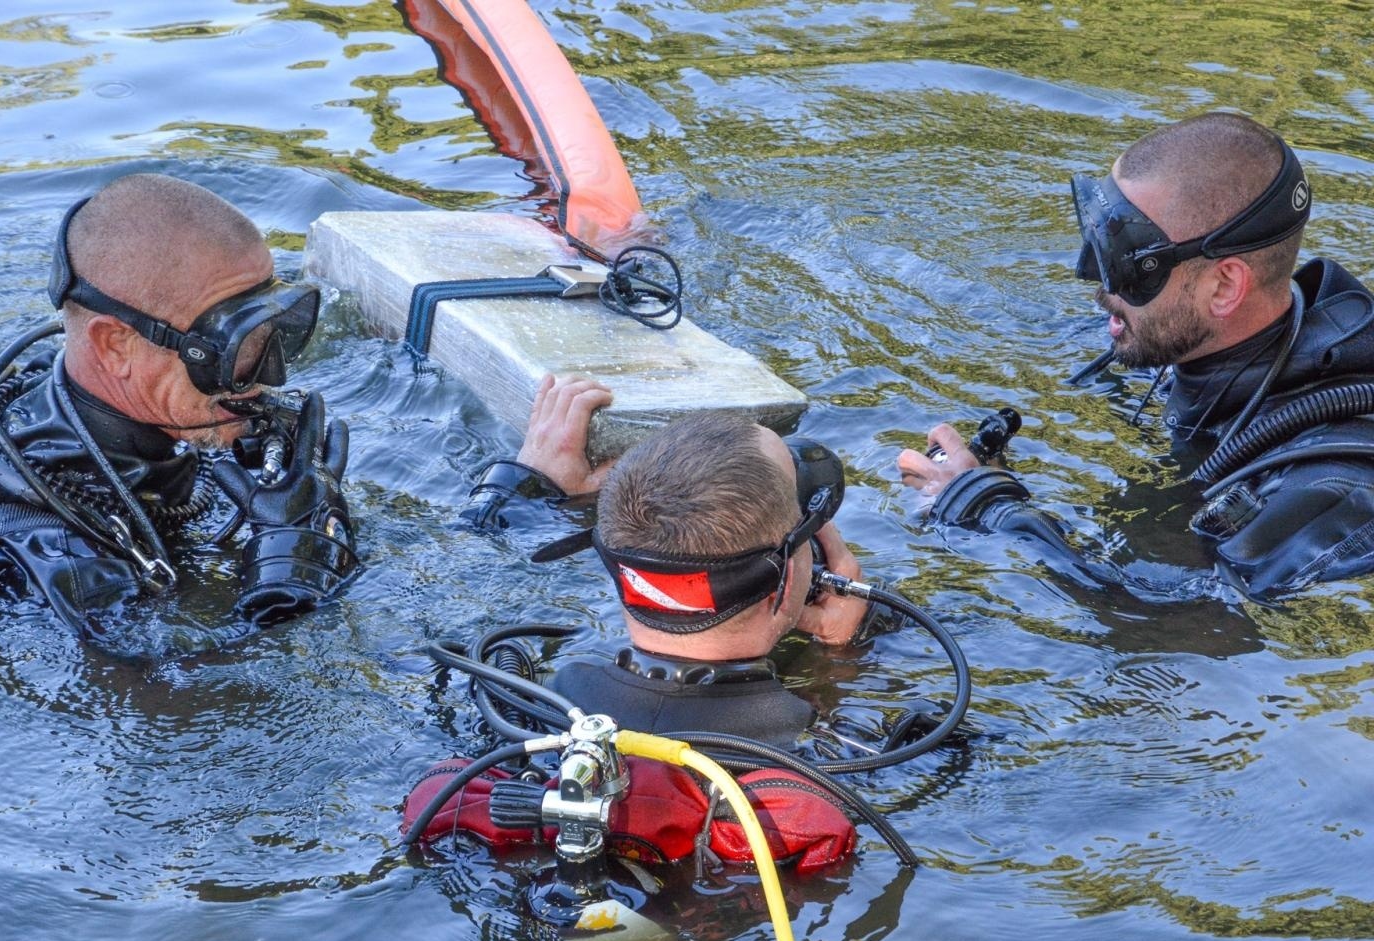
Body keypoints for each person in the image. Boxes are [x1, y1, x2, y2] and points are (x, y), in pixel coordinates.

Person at [405, 395, 905, 873]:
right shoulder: (831, 753)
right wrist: (846, 655)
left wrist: (524, 489)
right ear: (792, 577)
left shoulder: (524, 713)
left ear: (610, 562)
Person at [899, 112, 1374, 599]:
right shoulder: (1187, 338)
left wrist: (986, 503)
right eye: (1101, 237)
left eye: (1132, 263)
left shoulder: (1337, 490)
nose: (1096, 282)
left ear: (1226, 286)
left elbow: (1179, 622)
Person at [0, 174, 357, 649]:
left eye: (274, 330)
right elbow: (196, 701)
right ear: (114, 345)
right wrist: (297, 566)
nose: (267, 378)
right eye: (232, 349)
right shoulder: (60, 559)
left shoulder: (141, 412)